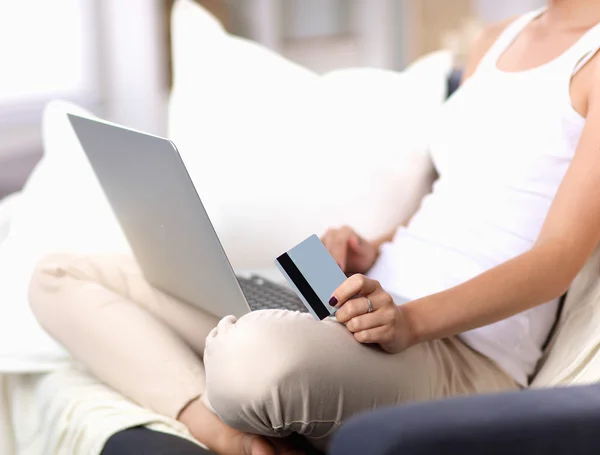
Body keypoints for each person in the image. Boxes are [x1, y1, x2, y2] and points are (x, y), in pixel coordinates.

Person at [28, 1, 600, 454]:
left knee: (247, 360)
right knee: (56, 275)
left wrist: (410, 321)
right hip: (363, 314)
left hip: (457, 354)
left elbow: (557, 259)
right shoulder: (494, 39)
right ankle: (225, 434)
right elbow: (455, 194)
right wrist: (370, 252)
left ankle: (233, 381)